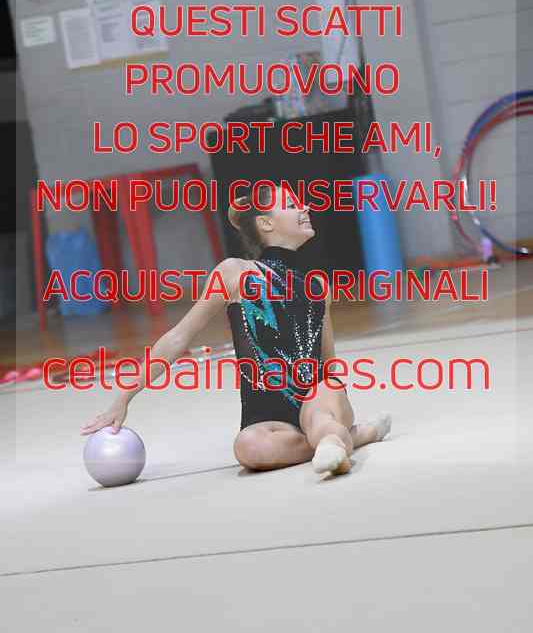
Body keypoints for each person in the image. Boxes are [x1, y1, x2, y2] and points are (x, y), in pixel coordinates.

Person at [81, 184, 391, 476]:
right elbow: (179, 336)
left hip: (316, 398)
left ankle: (330, 438)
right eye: (291, 204)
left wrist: (334, 403)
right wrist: (124, 397)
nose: (305, 208)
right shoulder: (234, 273)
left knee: (320, 416)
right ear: (266, 223)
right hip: (268, 418)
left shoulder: (318, 286)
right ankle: (349, 437)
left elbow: (327, 364)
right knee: (248, 447)